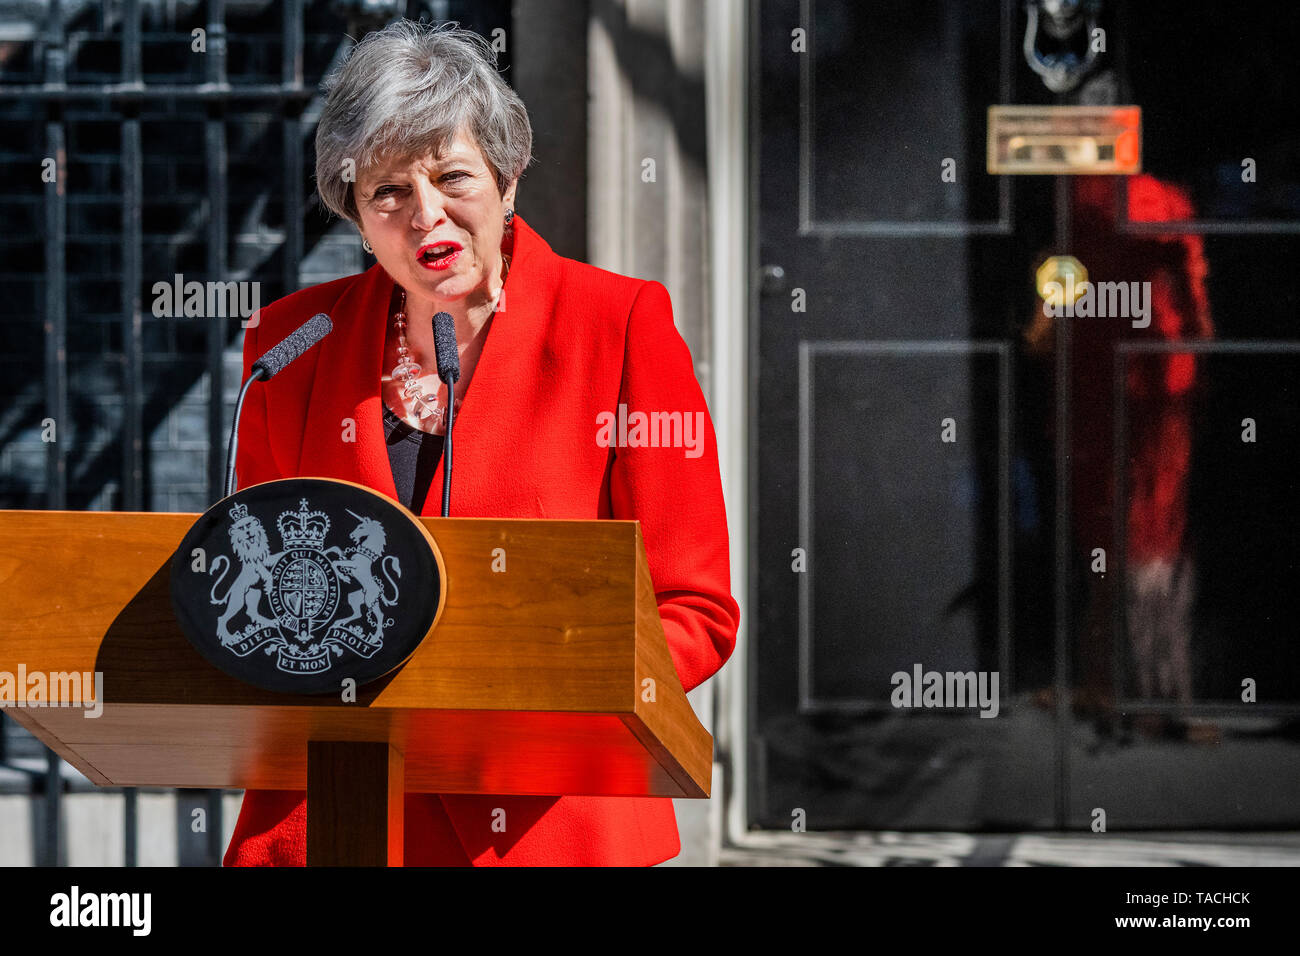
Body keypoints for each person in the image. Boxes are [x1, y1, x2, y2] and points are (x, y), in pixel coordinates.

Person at [222, 19, 739, 866]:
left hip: (544, 826)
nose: (426, 213)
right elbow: (261, 601)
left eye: (453, 176)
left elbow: (696, 611)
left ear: (506, 179)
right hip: (333, 822)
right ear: (354, 210)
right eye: (387, 190)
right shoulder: (290, 346)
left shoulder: (617, 326)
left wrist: (542, 688)